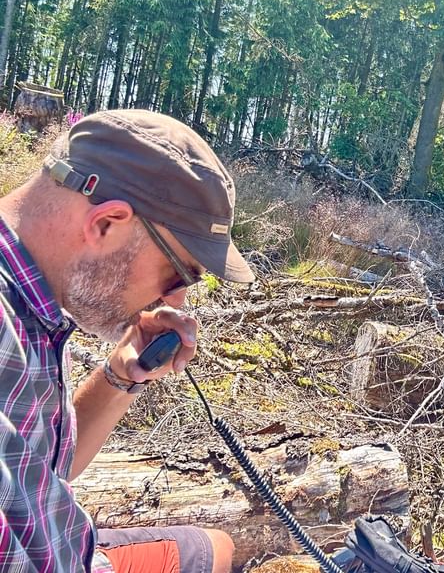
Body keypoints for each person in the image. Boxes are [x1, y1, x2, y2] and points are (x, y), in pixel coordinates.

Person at [0, 109, 255, 572]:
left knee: (214, 549)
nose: (176, 300)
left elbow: (43, 471)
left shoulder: (36, 304)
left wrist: (122, 375)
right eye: (178, 275)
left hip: (65, 542)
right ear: (106, 224)